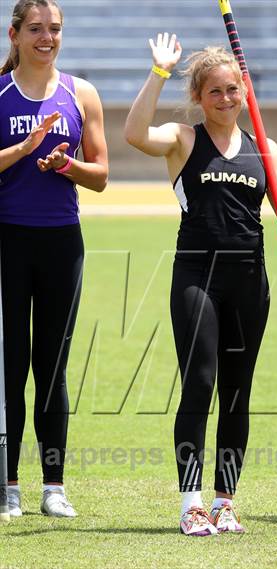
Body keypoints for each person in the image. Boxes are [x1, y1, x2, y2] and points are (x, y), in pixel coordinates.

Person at [125, 32, 277, 536]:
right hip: (197, 279)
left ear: (245, 92)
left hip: (250, 281)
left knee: (237, 392)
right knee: (201, 383)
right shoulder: (184, 140)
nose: (227, 99)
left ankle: (224, 502)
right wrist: (158, 73)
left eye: (234, 90)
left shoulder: (265, 148)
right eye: (216, 91)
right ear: (199, 97)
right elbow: (133, 132)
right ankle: (191, 504)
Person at [0, 0, 108, 518]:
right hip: (8, 241)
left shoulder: (80, 93)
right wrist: (23, 150)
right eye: (37, 29)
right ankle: (10, 484)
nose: (47, 38)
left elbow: (102, 175)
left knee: (52, 367)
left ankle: (54, 485)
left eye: (55, 29)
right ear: (15, 34)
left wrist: (67, 165)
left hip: (62, 243)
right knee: (9, 365)